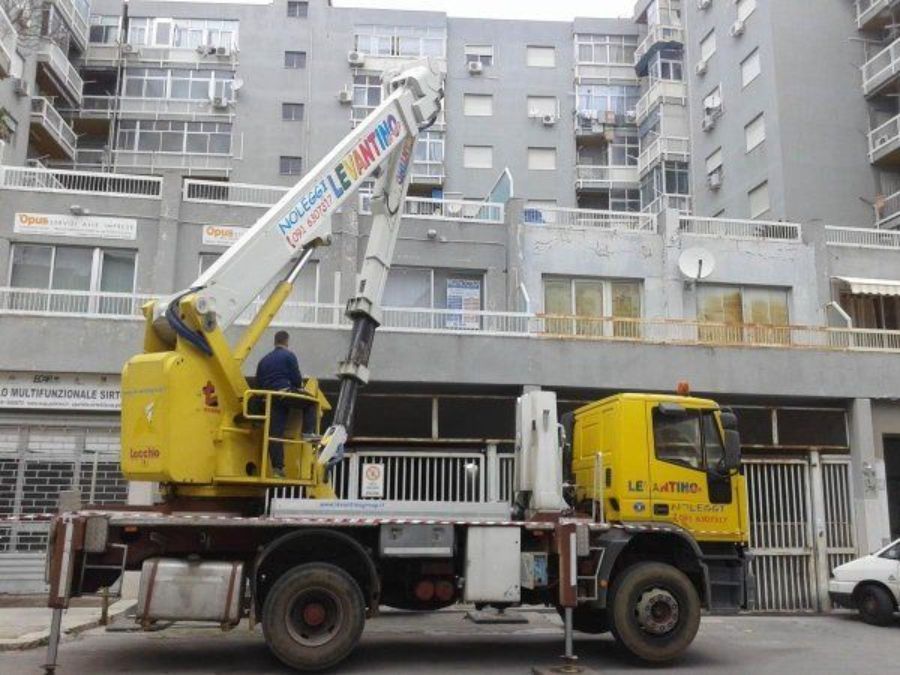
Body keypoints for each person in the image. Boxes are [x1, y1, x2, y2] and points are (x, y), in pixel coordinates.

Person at [255, 331, 316, 478]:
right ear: (287, 341)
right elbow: (296, 379)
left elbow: (258, 383)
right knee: (312, 403)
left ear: (275, 341)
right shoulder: (288, 355)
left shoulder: (263, 360)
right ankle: (308, 433)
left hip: (270, 399)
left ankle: (278, 469)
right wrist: (299, 387)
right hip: (284, 394)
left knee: (274, 434)